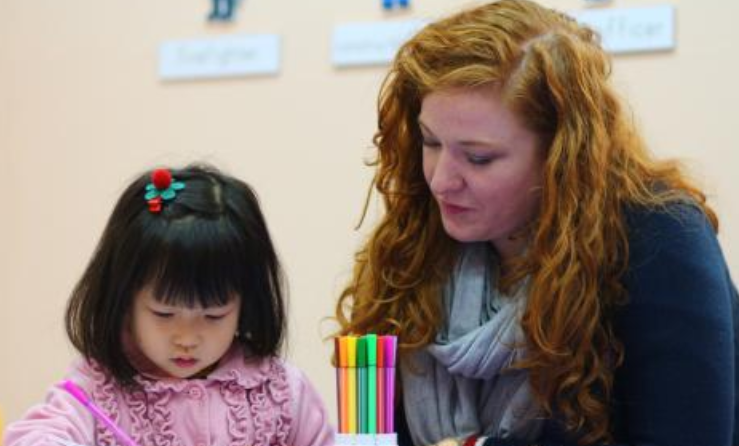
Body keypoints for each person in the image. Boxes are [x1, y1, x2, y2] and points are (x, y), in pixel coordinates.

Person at [334, 1, 738, 445]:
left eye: (479, 158)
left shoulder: (661, 237)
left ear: (561, 155)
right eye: (430, 142)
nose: (441, 181)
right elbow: (362, 427)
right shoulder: (406, 242)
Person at [4, 165, 334, 446]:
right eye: (164, 314)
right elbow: (38, 436)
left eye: (213, 315)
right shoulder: (96, 387)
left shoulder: (280, 391)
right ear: (124, 300)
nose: (186, 338)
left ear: (245, 304)